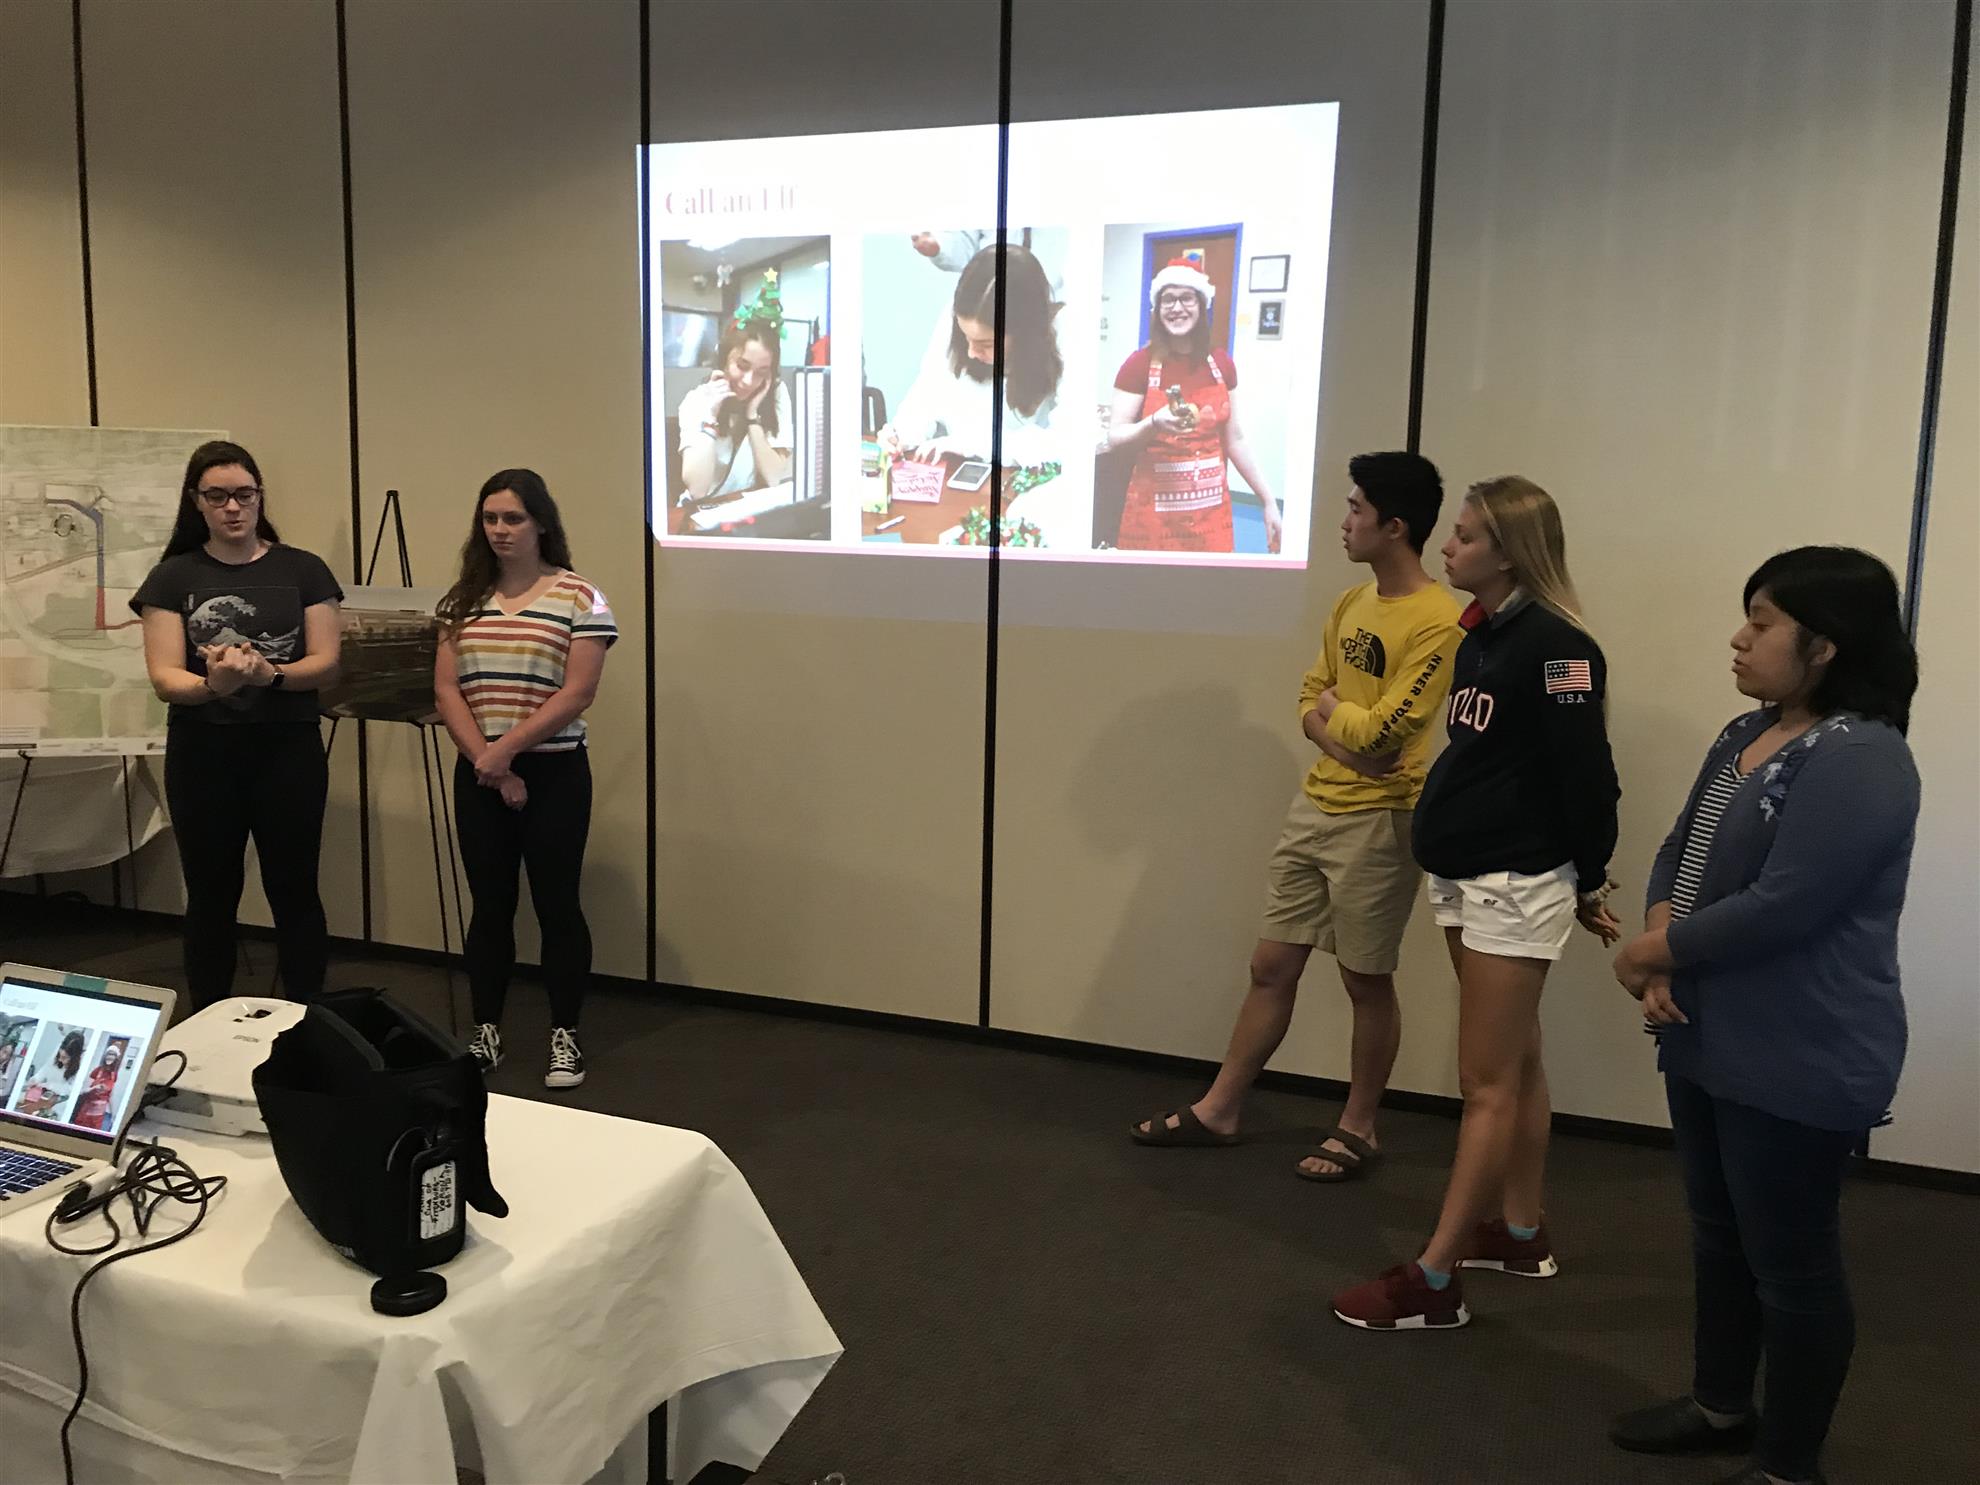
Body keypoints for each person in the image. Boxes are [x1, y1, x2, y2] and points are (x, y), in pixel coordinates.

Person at [1607, 547, 1920, 1485]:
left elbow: (1788, 903)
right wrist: (1661, 935)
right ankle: (1720, 1405)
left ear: (1825, 645)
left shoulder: (1863, 754)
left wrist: (1654, 952)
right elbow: (1683, 847)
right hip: (1707, 1028)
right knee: (1719, 1234)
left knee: (1792, 1264)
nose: (1740, 639)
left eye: (1762, 622)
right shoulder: (1746, 730)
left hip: (1800, 1045)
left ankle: (1788, 1466)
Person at [1332, 475, 1621, 1331]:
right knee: (1516, 1057)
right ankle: (1520, 1232)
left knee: (1485, 1083)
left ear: (1509, 552)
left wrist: (1591, 877)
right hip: (1465, 877)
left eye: (1463, 536)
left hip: (1513, 882)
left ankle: (1435, 1277)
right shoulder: (1480, 635)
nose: (1447, 547)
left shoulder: (1559, 648)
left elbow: (1587, 778)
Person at [1131, 453, 1461, 1179]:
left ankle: (1359, 1126)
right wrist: (1342, 733)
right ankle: (1221, 1108)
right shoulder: (1351, 603)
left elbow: (1385, 732)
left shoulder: (1441, 621)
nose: (1343, 522)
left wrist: (1340, 724)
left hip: (1382, 821)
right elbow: (1312, 697)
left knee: (1365, 979)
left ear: (1394, 526)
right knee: (1270, 964)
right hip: (1316, 804)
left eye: (1356, 509)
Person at [133, 440, 343, 1009]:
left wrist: (271, 675)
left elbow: (326, 664)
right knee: (210, 895)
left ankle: (309, 1022)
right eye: (217, 496)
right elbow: (164, 677)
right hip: (203, 753)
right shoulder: (172, 576)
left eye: (244, 495)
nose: (232, 507)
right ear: (196, 501)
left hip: (287, 750)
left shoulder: (304, 570)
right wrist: (213, 687)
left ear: (259, 497)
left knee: (295, 889)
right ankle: (206, 1020)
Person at [434, 469, 616, 1089]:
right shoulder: (461, 600)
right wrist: (487, 762)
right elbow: (446, 689)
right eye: (490, 519)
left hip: (554, 772)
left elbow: (578, 692)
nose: (501, 530)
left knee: (556, 904)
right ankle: (486, 1030)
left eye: (513, 518)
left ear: (541, 523)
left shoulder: (581, 597)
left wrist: (504, 754)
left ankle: (565, 1034)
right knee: (490, 906)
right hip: (480, 770)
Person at [1104, 255, 1282, 554]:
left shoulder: (1222, 363)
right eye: (1168, 300)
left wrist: (1268, 501)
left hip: (1211, 517)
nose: (1177, 307)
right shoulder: (1138, 364)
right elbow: (1115, 436)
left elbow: (1235, 440)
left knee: (1210, 583)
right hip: (1152, 518)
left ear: (1201, 305)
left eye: (1187, 298)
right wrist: (1153, 423)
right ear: (1157, 308)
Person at [882, 243, 1065, 468]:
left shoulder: (1062, 330)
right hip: (958, 473)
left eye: (985, 343)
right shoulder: (958, 315)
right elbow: (927, 391)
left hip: (1020, 478)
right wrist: (901, 435)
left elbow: (1068, 440)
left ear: (1025, 331)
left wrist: (974, 445)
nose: (970, 352)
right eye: (966, 336)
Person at [677, 309, 792, 510]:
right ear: (724, 360)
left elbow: (775, 478)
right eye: (742, 366)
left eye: (761, 372)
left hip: (746, 509)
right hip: (701, 513)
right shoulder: (697, 400)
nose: (748, 381)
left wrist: (752, 416)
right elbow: (697, 490)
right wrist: (710, 414)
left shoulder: (775, 395)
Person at [17, 1029, 86, 1119]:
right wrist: (35, 1079)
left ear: (74, 1057)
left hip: (59, 1104)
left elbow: (73, 1090)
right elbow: (45, 1069)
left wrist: (50, 1086)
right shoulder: (59, 1050)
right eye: (60, 1055)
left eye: (64, 1058)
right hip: (45, 1095)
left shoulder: (82, 1064)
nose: (60, 1060)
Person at [72, 1038, 126, 1131]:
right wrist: (94, 1088)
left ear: (116, 1058)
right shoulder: (97, 1070)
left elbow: (111, 1096)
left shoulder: (114, 1075)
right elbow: (83, 1090)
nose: (110, 1057)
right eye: (108, 1054)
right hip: (87, 1109)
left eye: (113, 1055)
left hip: (99, 1113)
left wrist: (113, 1114)